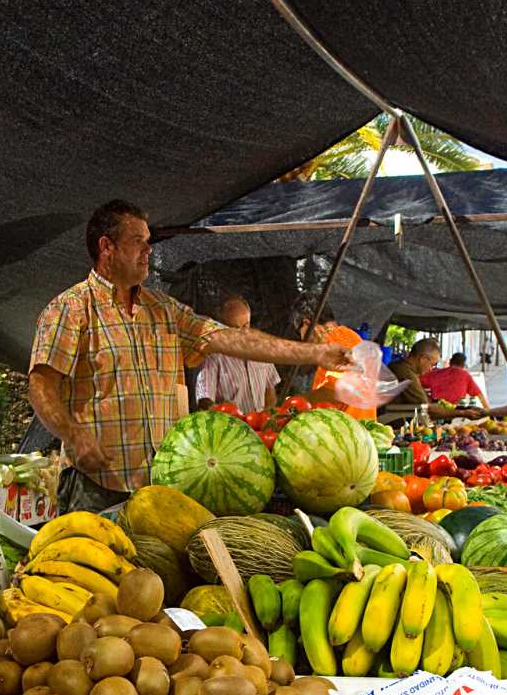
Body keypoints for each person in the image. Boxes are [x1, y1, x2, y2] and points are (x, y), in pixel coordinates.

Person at [30, 199, 348, 512]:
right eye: (138, 241)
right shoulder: (70, 309)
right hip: (96, 483)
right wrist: (73, 434)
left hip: (163, 480)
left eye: (149, 241)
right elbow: (40, 386)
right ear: (106, 247)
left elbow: (231, 338)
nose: (149, 249)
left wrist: (315, 352)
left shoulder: (163, 309)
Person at [192, 295, 280, 414]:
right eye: (235, 328)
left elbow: (270, 390)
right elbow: (204, 401)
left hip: (260, 423)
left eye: (246, 325)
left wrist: (267, 416)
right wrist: (226, 417)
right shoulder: (212, 357)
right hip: (230, 423)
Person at [387, 338, 441, 407]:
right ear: (423, 359)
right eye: (432, 365)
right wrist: (454, 412)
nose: (431, 369)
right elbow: (424, 405)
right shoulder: (405, 372)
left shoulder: (398, 366)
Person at [421, 351, 488, 407]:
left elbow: (417, 382)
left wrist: (428, 398)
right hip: (456, 411)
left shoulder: (436, 373)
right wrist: (488, 412)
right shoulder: (465, 375)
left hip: (436, 409)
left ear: (450, 361)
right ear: (463, 365)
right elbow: (479, 395)